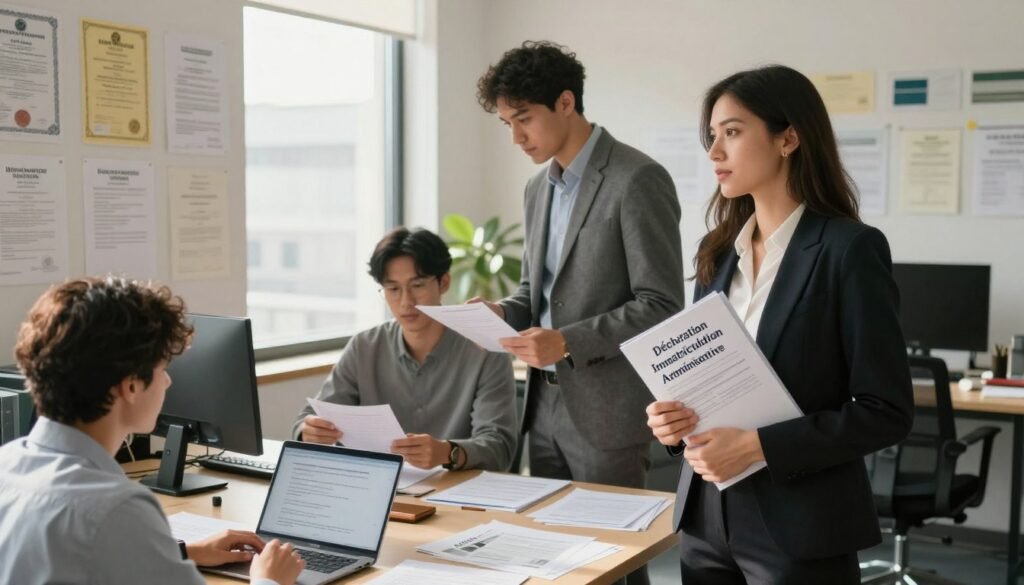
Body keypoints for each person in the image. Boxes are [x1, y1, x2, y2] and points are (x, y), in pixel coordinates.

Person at [645, 64, 914, 584]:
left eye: (733, 132)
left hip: (800, 525)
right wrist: (672, 425)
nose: (714, 152)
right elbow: (702, 376)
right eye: (712, 137)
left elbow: (886, 411)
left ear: (788, 137)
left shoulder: (848, 250)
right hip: (706, 518)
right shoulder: (716, 252)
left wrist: (759, 447)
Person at [474, 41, 685, 488]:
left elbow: (662, 304)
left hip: (606, 412)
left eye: (525, 118)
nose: (516, 137)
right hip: (541, 407)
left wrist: (567, 342)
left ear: (566, 102)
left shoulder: (637, 178)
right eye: (508, 123)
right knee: (552, 553)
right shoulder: (537, 189)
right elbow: (536, 292)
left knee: (617, 556)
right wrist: (503, 313)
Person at [0, 277, 304, 585]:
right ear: (131, 386)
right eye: (163, 369)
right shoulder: (116, 508)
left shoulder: (6, 465)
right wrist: (269, 579)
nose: (168, 382)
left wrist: (183, 553)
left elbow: (78, 558)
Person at [294, 227, 517, 472]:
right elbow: (310, 417)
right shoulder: (364, 347)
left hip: (458, 494)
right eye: (393, 289)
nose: (405, 302)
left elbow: (499, 448)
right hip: (381, 489)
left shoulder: (484, 350)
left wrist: (448, 452)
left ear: (444, 282)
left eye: (417, 285)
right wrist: (309, 432)